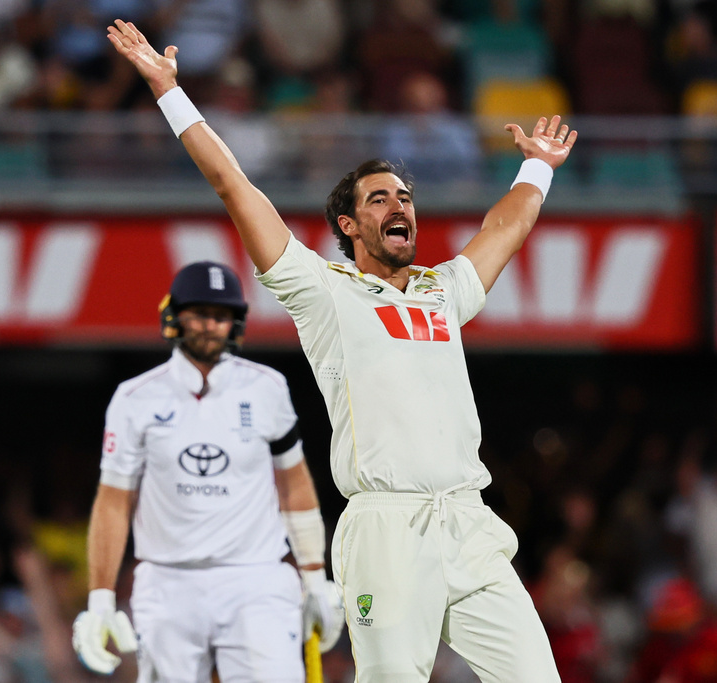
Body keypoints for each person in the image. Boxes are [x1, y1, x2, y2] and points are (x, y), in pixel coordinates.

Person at [105, 19, 576, 682]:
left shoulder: (443, 292)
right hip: (385, 532)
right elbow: (232, 184)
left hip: (470, 525)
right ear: (349, 226)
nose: (399, 205)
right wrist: (169, 93)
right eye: (379, 197)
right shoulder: (323, 291)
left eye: (405, 196)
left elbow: (503, 226)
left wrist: (537, 166)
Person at [72, 261, 344, 681]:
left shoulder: (267, 388)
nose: (210, 326)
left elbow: (294, 484)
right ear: (174, 315)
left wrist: (314, 576)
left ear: (236, 322)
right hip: (167, 580)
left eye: (221, 316)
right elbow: (113, 503)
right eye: (199, 313)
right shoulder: (134, 399)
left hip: (256, 579)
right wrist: (101, 599)